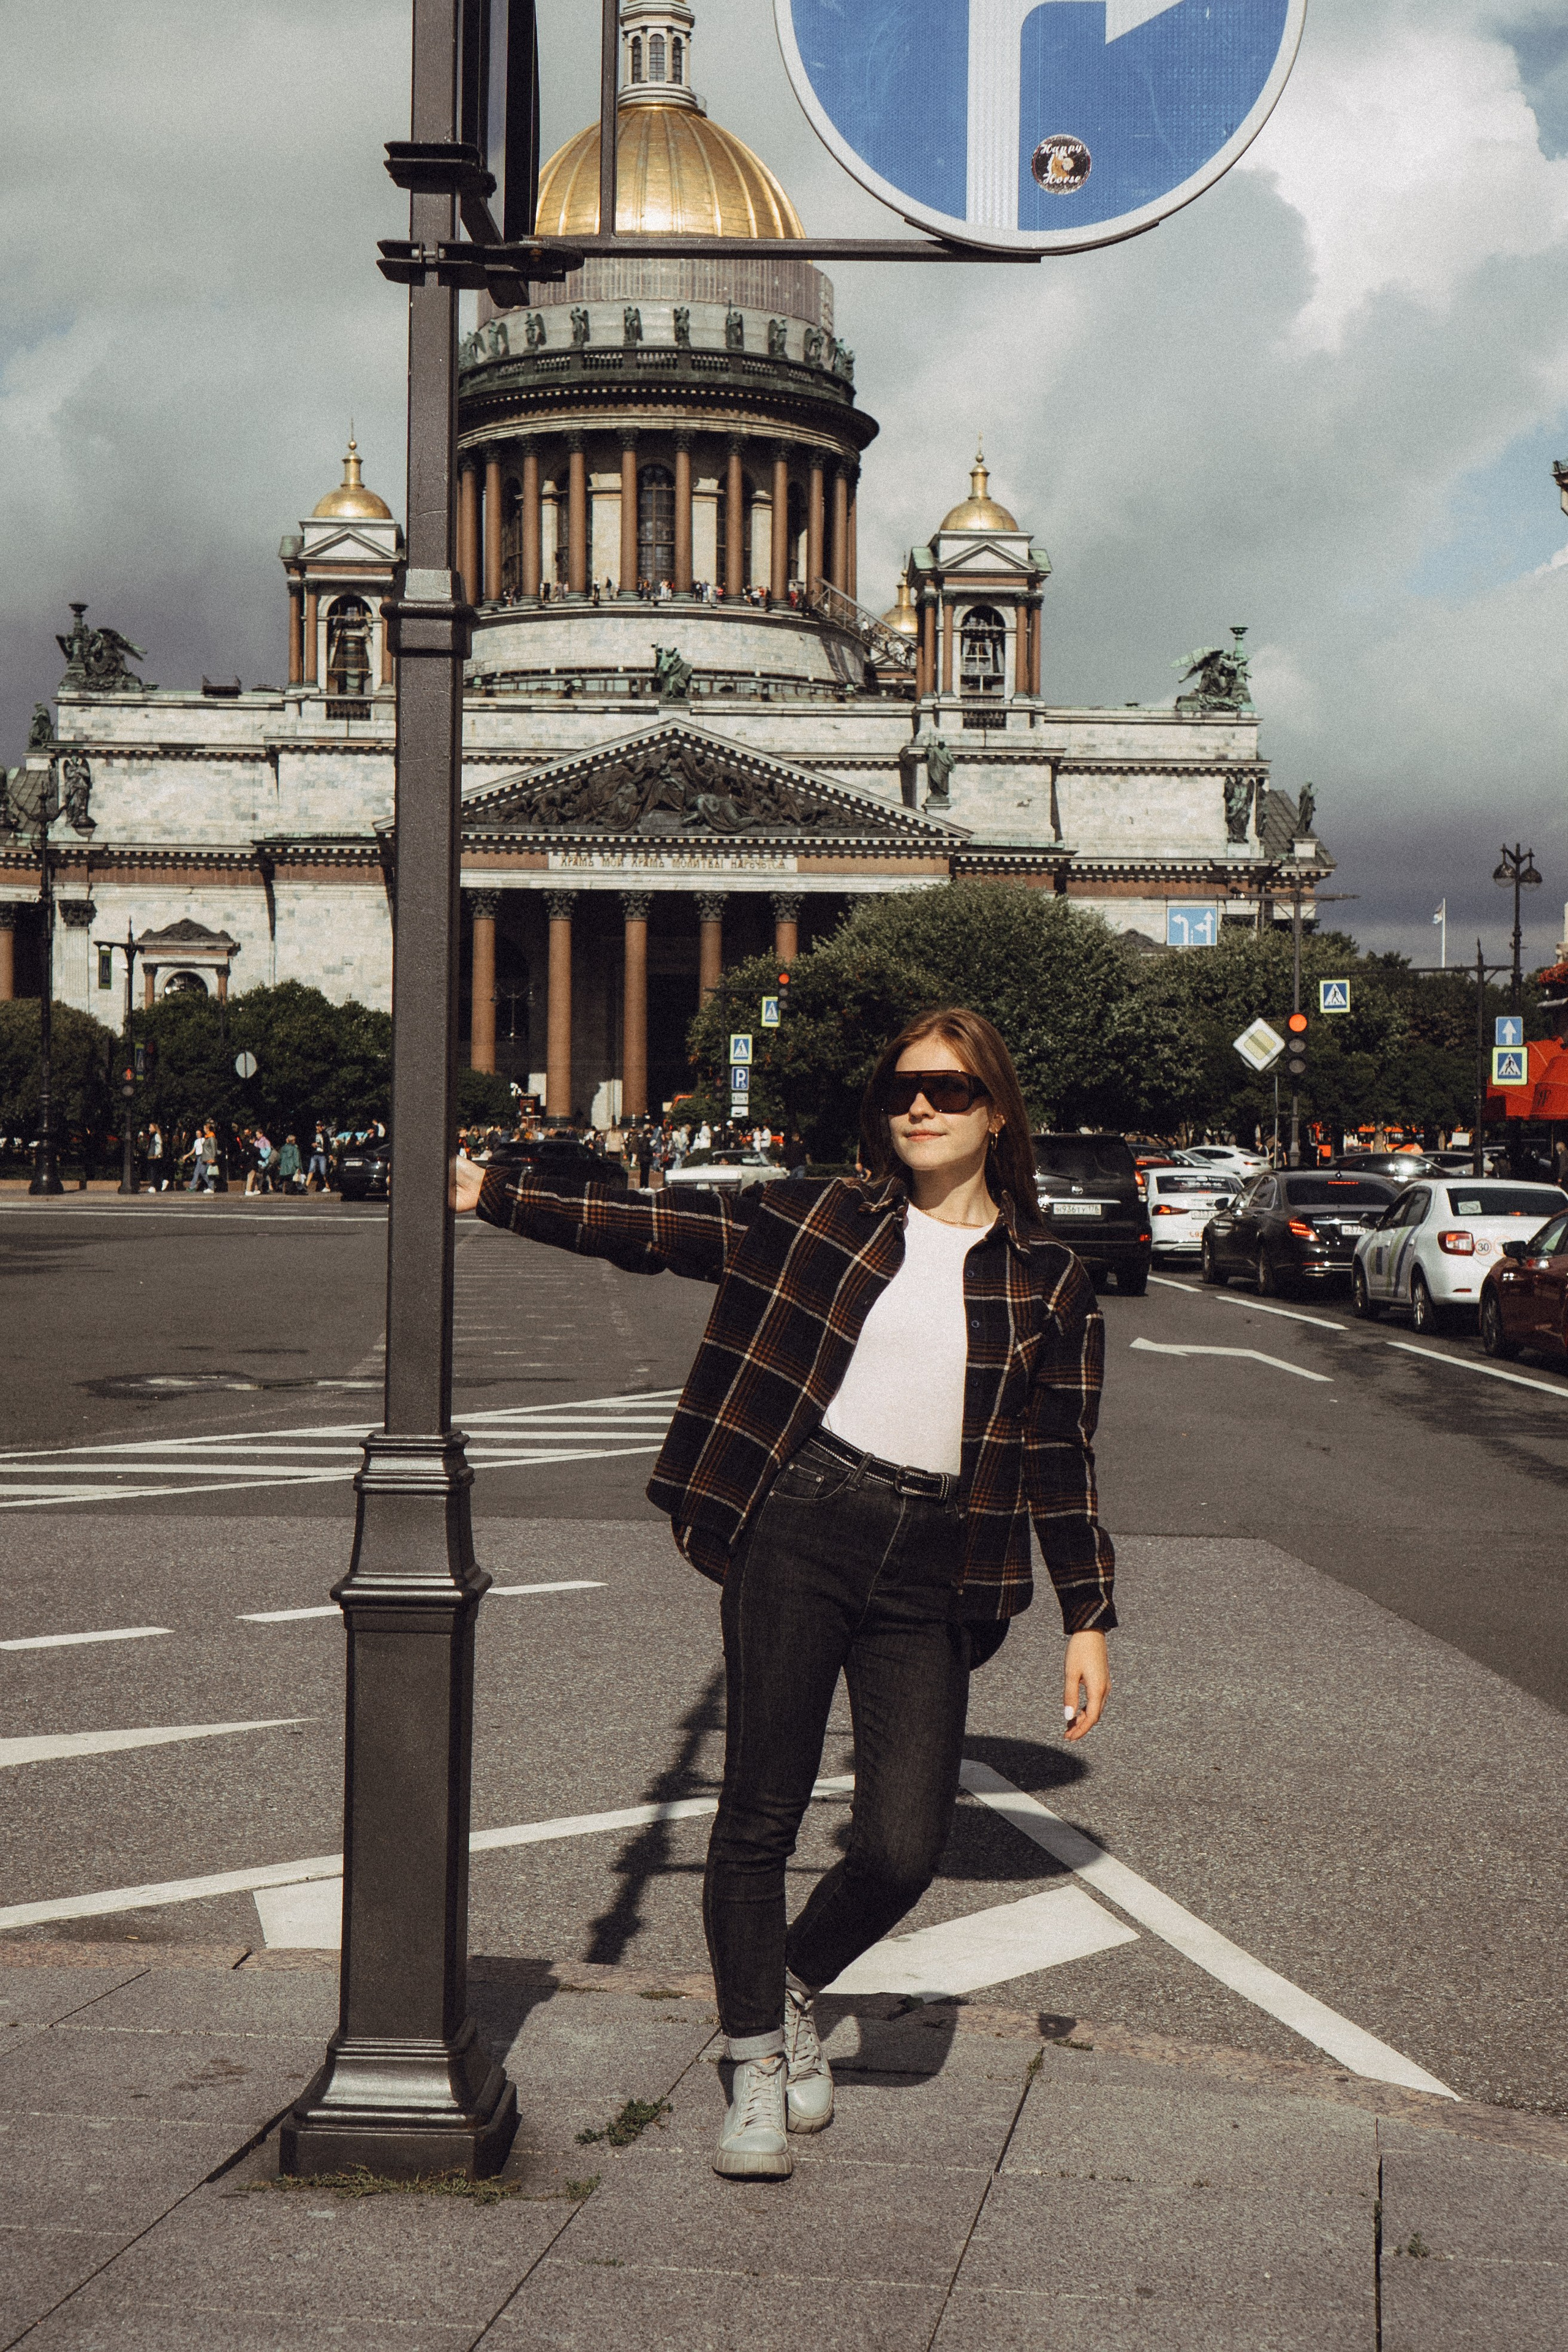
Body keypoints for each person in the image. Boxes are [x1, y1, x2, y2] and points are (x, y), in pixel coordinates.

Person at [453, 1008, 1113, 2183]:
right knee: (762, 1810)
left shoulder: (1050, 1280)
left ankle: (790, 1981)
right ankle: (755, 2056)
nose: (918, 1106)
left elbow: (1060, 1456)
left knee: (905, 1844)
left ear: (997, 1114)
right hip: (800, 1524)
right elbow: (657, 1224)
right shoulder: (822, 1219)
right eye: (903, 1086)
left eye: (949, 1091)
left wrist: (1088, 1613)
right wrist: (495, 1192)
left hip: (940, 1562)